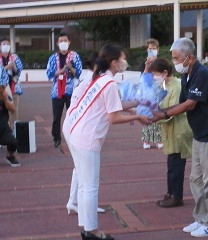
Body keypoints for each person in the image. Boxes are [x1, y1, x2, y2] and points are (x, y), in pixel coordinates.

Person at [63, 44, 151, 240]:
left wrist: (137, 104)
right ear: (114, 62)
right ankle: (93, 231)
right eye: (122, 58)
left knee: (86, 186)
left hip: (78, 134)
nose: (125, 62)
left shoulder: (100, 79)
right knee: (90, 187)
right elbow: (114, 117)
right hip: (88, 138)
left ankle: (87, 228)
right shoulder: (109, 83)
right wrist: (138, 117)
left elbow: (115, 106)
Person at [153, 37, 208, 237]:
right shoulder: (187, 75)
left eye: (177, 58)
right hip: (200, 134)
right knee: (197, 178)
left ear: (189, 56)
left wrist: (163, 114)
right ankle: (201, 218)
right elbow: (180, 103)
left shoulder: (202, 74)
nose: (175, 62)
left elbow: (190, 104)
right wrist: (156, 112)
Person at [148, 58, 192, 208]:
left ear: (165, 72)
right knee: (171, 165)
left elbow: (174, 109)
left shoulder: (177, 86)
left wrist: (156, 116)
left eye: (156, 74)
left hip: (178, 129)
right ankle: (170, 192)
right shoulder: (164, 85)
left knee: (177, 165)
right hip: (169, 129)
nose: (154, 77)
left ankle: (177, 196)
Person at [64, 52, 105, 214]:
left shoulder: (89, 79)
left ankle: (74, 202)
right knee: (84, 171)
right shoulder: (91, 81)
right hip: (76, 127)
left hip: (72, 124)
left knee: (79, 168)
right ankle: (83, 206)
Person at [46, 32, 82, 148]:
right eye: (60, 41)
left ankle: (74, 136)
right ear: (57, 43)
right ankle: (56, 138)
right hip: (57, 91)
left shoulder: (74, 56)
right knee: (57, 116)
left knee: (73, 115)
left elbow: (79, 73)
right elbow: (49, 73)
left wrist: (70, 68)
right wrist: (60, 71)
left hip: (72, 91)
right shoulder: (53, 58)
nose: (63, 43)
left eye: (65, 41)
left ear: (69, 42)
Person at [0, 74, 20, 167]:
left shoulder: (2, 94)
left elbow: (12, 109)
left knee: (13, 142)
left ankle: (10, 156)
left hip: (3, 129)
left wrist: (6, 99)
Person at [140, 38, 163, 149]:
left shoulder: (161, 62)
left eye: (154, 48)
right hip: (147, 93)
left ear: (158, 50)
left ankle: (158, 138)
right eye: (150, 49)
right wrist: (147, 67)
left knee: (158, 115)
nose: (152, 50)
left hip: (159, 90)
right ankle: (147, 139)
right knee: (147, 115)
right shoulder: (144, 63)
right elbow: (143, 78)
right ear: (147, 50)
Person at [0, 37, 23, 130]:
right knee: (3, 109)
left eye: (8, 44)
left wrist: (14, 67)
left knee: (14, 109)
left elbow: (19, 71)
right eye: (4, 44)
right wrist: (8, 66)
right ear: (0, 46)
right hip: (1, 89)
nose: (6, 46)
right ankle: (5, 130)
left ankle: (14, 130)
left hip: (14, 87)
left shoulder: (15, 57)